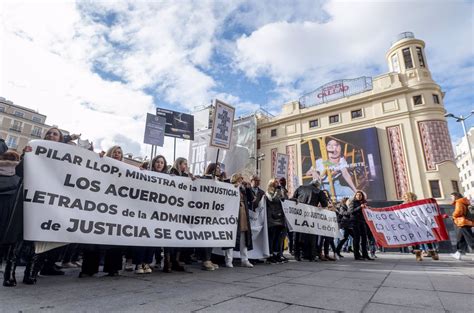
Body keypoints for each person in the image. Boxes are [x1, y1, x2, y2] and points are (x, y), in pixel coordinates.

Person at [291, 179, 328, 262]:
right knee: (311, 236)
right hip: (311, 216)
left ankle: (297, 255)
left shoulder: (300, 188)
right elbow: (325, 204)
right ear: (318, 185)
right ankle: (311, 256)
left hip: (299, 214)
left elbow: (293, 199)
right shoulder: (319, 191)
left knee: (297, 235)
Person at [223, 173, 253, 268]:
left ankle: (244, 259)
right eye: (240, 179)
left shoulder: (243, 190)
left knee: (244, 237)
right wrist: (235, 187)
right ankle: (228, 260)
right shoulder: (229, 187)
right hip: (233, 214)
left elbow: (251, 199)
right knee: (231, 237)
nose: (241, 180)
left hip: (243, 213)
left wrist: (248, 188)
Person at [265, 178, 286, 264]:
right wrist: (277, 193)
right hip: (272, 219)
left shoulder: (279, 192)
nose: (277, 184)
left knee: (278, 238)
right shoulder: (268, 192)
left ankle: (276, 254)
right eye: (275, 183)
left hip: (279, 218)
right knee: (272, 238)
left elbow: (283, 201)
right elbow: (272, 199)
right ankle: (270, 255)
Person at [348, 191, 373, 261]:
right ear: (355, 196)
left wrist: (367, 208)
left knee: (364, 239)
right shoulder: (352, 202)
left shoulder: (364, 203)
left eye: (360, 195)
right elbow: (351, 211)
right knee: (357, 239)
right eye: (357, 195)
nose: (359, 196)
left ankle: (365, 255)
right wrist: (360, 207)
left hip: (362, 222)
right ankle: (357, 255)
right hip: (355, 222)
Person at [449, 192, 473, 260]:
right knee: (460, 239)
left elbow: (459, 211)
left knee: (470, 239)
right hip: (464, 222)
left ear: (456, 196)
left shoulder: (458, 202)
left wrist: (453, 215)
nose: (451, 198)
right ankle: (458, 253)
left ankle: (459, 253)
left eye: (452, 197)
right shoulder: (464, 201)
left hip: (463, 222)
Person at [318, 190, 336, 261]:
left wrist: (332, 209)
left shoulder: (329, 201)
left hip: (329, 222)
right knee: (321, 239)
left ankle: (327, 254)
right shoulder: (319, 201)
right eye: (323, 193)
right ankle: (320, 254)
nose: (325, 195)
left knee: (328, 239)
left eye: (326, 193)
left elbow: (334, 210)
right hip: (321, 222)